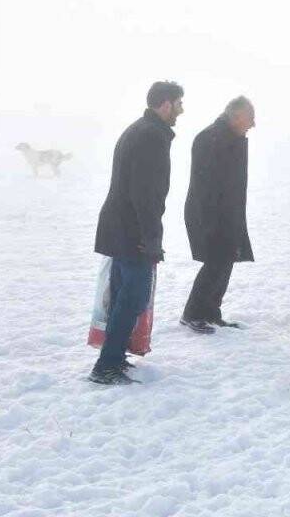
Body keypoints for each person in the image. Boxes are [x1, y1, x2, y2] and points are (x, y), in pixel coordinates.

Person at [89, 81, 184, 385]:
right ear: (165, 104)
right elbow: (145, 195)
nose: (181, 110)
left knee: (122, 296)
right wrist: (151, 240)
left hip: (120, 227)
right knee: (133, 297)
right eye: (179, 103)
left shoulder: (140, 129)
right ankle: (107, 365)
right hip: (133, 233)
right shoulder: (151, 136)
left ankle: (113, 357)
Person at [181, 96, 256, 333]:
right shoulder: (210, 138)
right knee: (215, 263)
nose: (252, 125)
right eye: (250, 119)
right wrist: (211, 221)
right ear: (236, 116)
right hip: (209, 213)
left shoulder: (230, 137)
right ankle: (192, 314)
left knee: (225, 262)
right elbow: (206, 185)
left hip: (228, 211)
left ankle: (211, 312)